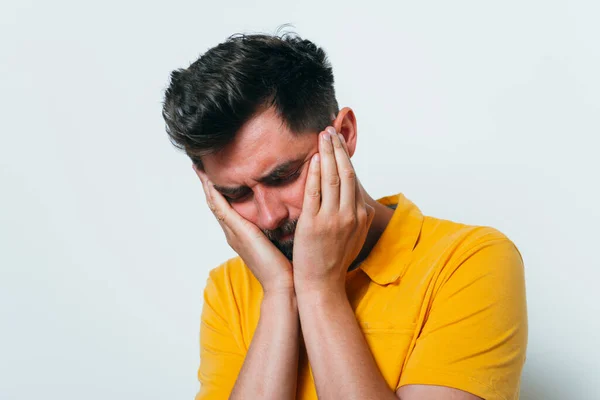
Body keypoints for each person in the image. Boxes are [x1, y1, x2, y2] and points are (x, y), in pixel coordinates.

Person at [161, 31, 528, 400]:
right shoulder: (229, 289)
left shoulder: (469, 261)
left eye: (284, 176)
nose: (269, 217)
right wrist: (279, 293)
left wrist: (320, 288)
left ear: (345, 135)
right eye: (236, 194)